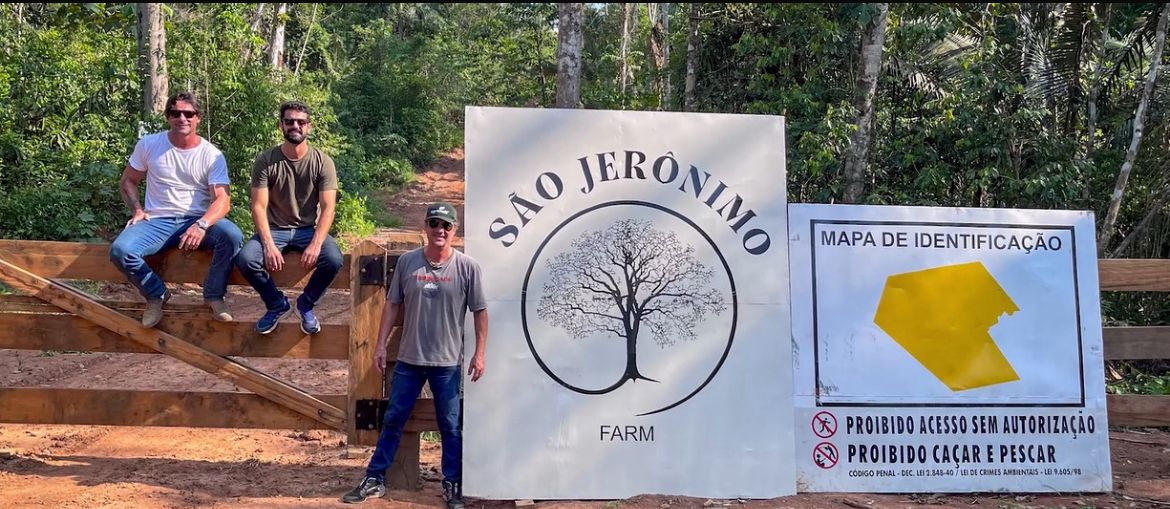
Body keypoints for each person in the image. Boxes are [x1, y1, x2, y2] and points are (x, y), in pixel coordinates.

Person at [342, 203, 488, 509]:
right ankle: (374, 478)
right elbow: (392, 304)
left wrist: (480, 353)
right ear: (425, 227)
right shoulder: (409, 263)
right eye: (434, 223)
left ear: (455, 230)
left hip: (447, 362)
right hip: (409, 359)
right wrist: (380, 345)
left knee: (450, 425)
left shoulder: (467, 268)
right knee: (394, 418)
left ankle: (452, 484)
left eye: (446, 225)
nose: (440, 230)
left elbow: (480, 311)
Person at [109, 92, 244, 327]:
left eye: (188, 114)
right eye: (176, 113)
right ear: (168, 116)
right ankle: (156, 294)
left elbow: (222, 200)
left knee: (231, 235)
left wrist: (202, 224)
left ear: (198, 117)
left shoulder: (211, 155)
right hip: (157, 220)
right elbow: (128, 180)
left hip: (196, 219)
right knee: (121, 250)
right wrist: (137, 210)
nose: (182, 118)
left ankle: (214, 296)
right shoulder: (149, 144)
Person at [236, 101, 342, 335]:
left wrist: (316, 243)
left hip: (307, 230)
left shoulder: (322, 162)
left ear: (309, 126)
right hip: (275, 229)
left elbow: (328, 208)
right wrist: (268, 244)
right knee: (246, 259)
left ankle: (306, 304)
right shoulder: (266, 160)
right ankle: (276, 304)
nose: (295, 126)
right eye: (289, 121)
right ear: (281, 125)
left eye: (301, 122)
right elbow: (258, 206)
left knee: (334, 259)